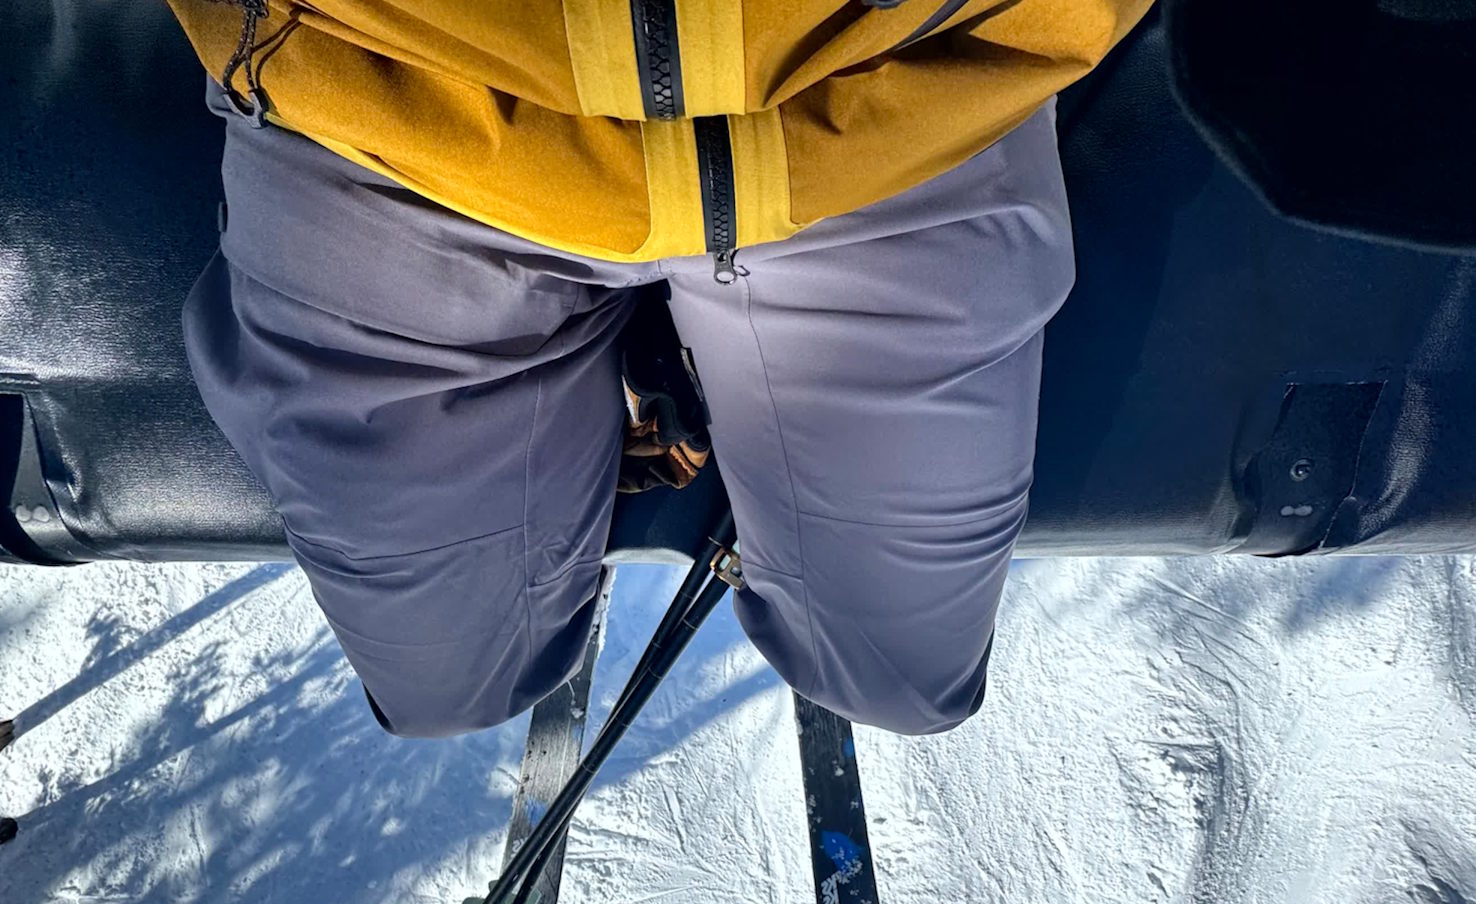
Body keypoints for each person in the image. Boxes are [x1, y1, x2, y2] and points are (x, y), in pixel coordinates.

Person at [165, 0, 1151, 738]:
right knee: (446, 689)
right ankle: (655, 356)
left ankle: (663, 358)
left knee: (903, 679)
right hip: (392, 101)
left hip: (900, 96)